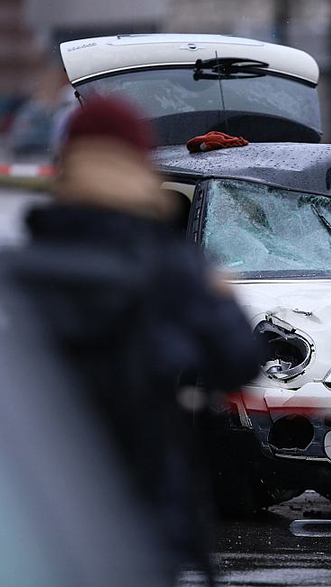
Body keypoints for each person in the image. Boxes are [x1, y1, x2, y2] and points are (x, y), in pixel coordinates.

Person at [1, 96, 261, 582]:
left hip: (46, 518)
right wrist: (220, 297)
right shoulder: (171, 265)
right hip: (146, 516)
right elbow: (239, 362)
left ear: (66, 164)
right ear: (138, 162)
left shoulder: (26, 267)